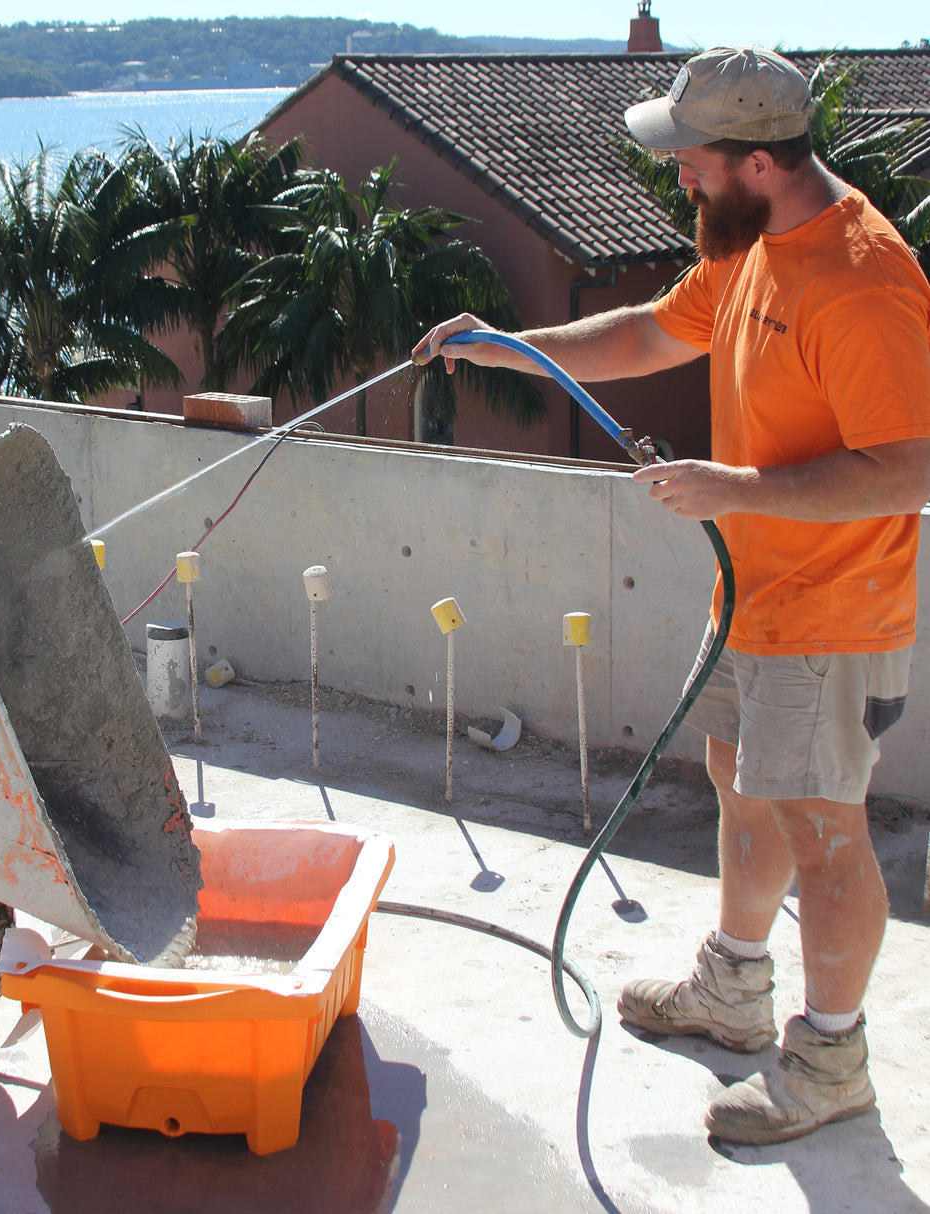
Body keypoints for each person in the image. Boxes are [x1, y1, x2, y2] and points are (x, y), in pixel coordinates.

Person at [413, 46, 930, 1146]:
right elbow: (651, 330)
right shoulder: (752, 244)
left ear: (752, 160)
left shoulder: (859, 277)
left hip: (832, 610)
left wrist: (728, 486)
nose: (675, 179)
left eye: (688, 161)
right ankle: (732, 991)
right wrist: (512, 350)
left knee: (824, 830)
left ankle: (830, 1059)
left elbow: (909, 466)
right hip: (754, 592)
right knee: (738, 780)